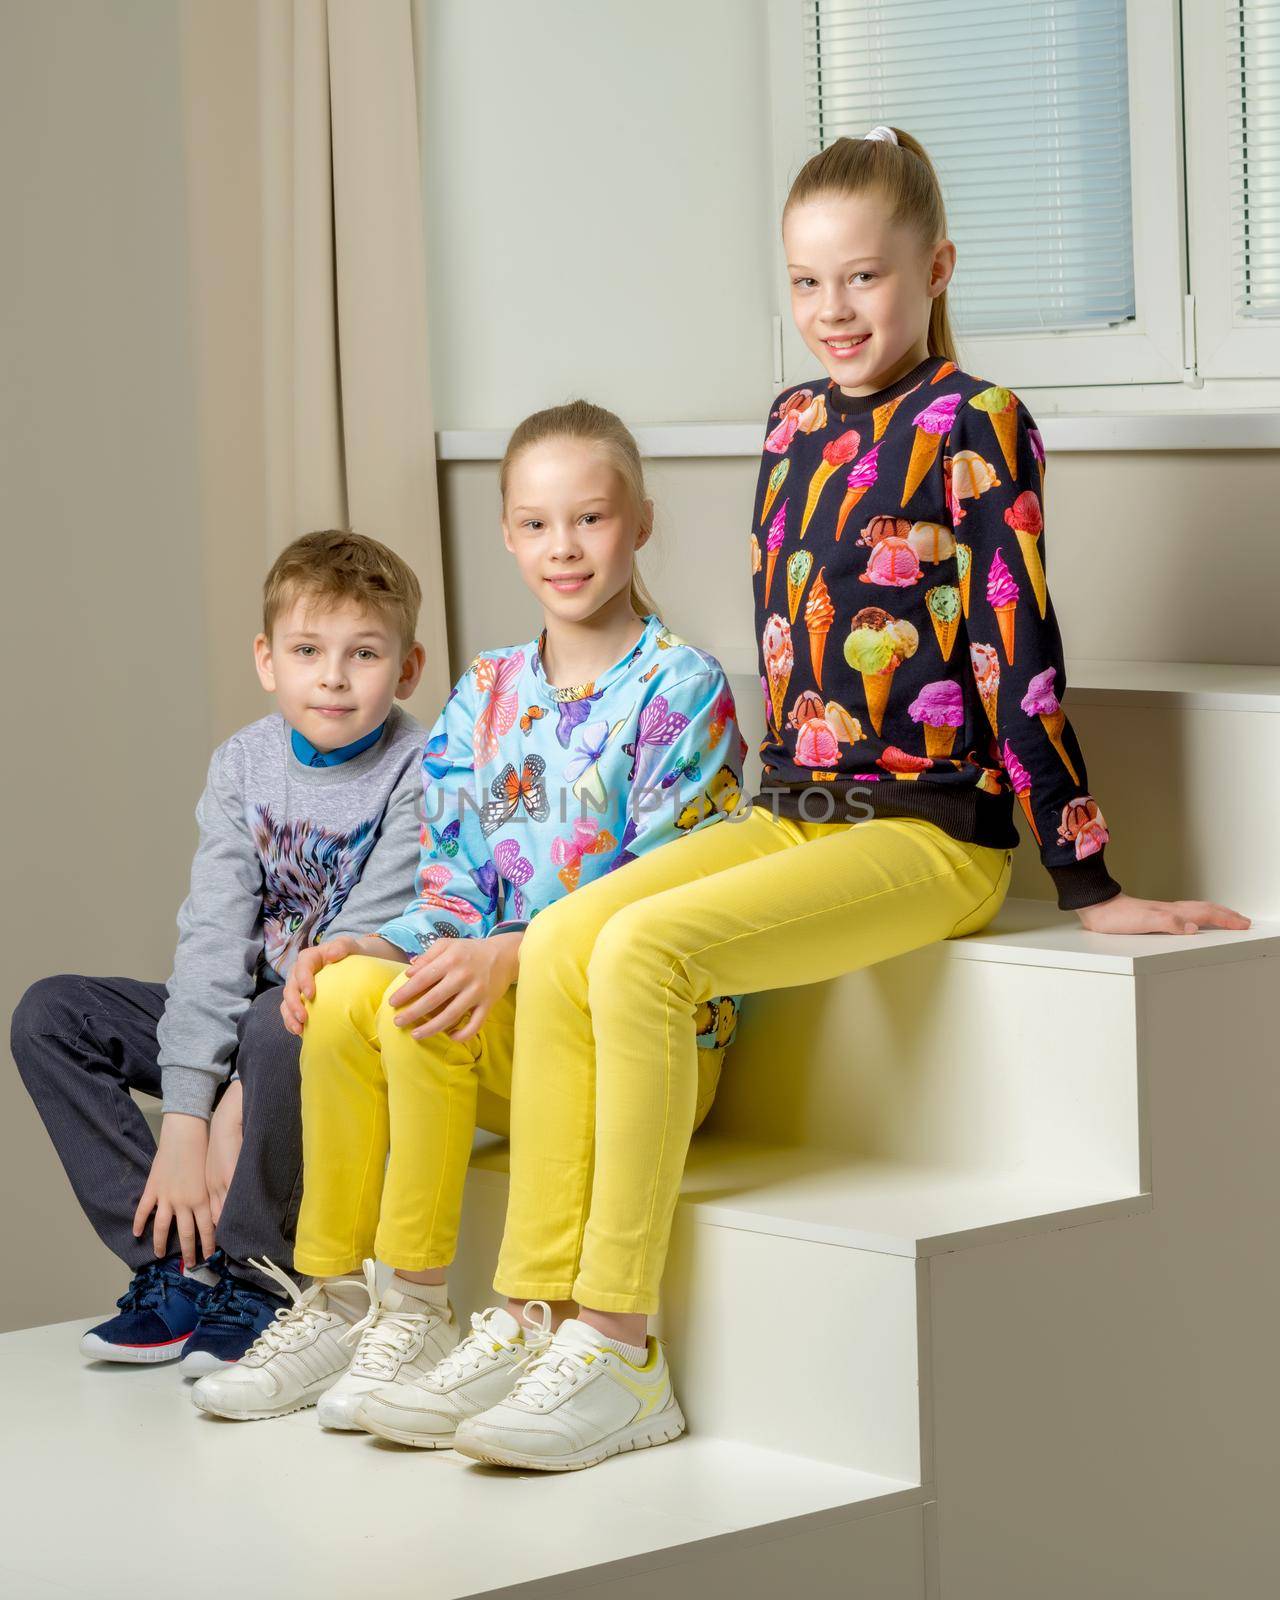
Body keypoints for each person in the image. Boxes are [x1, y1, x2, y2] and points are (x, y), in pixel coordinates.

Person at [423, 125, 1246, 1473]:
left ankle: (620, 1348)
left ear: (934, 270)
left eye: (863, 279)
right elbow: (789, 634)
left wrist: (1086, 879)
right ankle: (528, 1311)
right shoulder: (791, 421)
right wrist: (743, 822)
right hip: (793, 806)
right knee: (571, 933)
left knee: (643, 951)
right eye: (807, 285)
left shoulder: (978, 424)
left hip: (932, 836)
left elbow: (1014, 647)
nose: (834, 313)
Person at [189, 400, 746, 1430]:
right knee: (356, 988)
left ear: (640, 522)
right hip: (503, 1040)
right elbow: (448, 890)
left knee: (455, 995)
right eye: (535, 524)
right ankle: (368, 1305)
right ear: (504, 532)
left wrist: (517, 954)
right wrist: (365, 939)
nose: (562, 547)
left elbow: (671, 895)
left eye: (589, 519)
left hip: (637, 1044)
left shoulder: (680, 690)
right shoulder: (486, 692)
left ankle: (470, 1308)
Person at [11, 530, 429, 1371]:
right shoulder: (243, 764)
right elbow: (214, 933)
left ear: (409, 668)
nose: (334, 677)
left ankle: (257, 1271)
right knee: (50, 1014)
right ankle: (178, 1263)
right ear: (268, 659)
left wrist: (230, 1089)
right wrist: (186, 1121)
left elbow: (363, 949)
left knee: (282, 1025)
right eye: (308, 650)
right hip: (245, 1016)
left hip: (334, 1017)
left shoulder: (421, 767)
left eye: (364, 653)